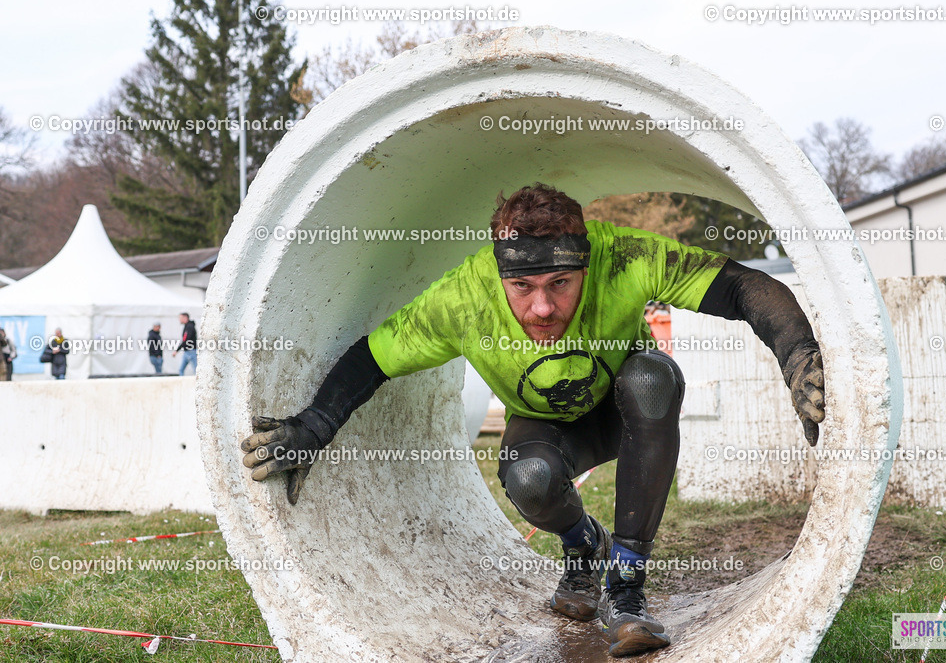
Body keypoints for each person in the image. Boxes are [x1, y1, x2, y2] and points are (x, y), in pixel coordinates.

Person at [239, 184, 826, 657]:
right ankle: (582, 546)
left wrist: (799, 358)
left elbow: (746, 285)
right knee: (528, 479)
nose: (542, 307)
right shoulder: (464, 297)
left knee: (652, 378)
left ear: (585, 264)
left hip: (626, 409)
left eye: (560, 285)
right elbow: (371, 357)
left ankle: (626, 586)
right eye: (522, 288)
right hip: (546, 426)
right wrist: (314, 427)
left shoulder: (622, 255)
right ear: (500, 279)